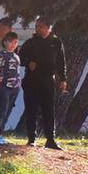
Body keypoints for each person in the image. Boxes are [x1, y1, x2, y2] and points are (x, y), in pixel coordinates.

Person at [17, 18, 67, 149]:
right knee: (31, 109)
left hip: (48, 81)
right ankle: (31, 138)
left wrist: (63, 79)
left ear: (48, 28)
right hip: (31, 80)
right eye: (36, 26)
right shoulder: (30, 42)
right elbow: (19, 58)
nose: (37, 29)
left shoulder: (56, 42)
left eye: (40, 27)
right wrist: (28, 62)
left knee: (48, 110)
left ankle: (50, 139)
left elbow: (61, 62)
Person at [0, 29, 23, 134]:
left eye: (15, 42)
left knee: (7, 111)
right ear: (5, 42)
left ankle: (0, 132)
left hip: (14, 88)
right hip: (4, 87)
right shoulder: (0, 55)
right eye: (10, 41)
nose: (13, 45)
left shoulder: (16, 56)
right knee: (1, 110)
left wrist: (17, 86)